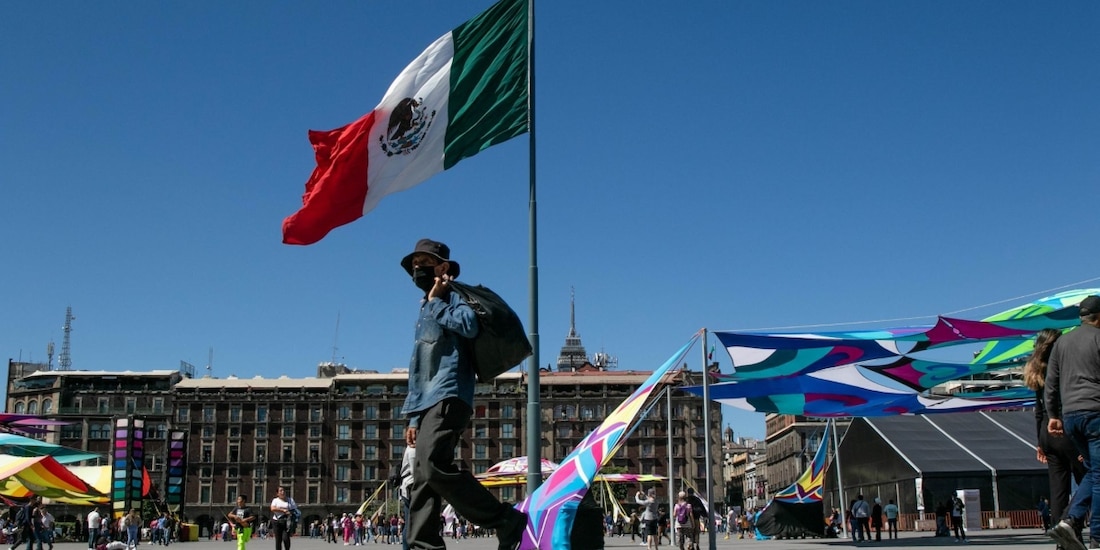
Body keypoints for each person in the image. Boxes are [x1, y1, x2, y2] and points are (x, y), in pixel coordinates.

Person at [398, 239, 527, 550]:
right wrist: (414, 417)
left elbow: (469, 326)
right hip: (426, 401)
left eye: (425, 262)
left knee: (432, 465)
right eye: (414, 263)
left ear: (443, 267)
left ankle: (503, 518)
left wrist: (438, 301)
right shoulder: (426, 306)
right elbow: (420, 367)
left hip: (449, 395)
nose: (418, 268)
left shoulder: (453, 297)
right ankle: (422, 546)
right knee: (421, 480)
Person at [1046, 295, 1100, 550]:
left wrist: (1053, 414)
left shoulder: (1062, 342)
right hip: (1095, 413)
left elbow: (1051, 382)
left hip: (1070, 417)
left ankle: (1070, 521)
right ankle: (1096, 534)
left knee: (1094, 471)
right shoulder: (1098, 337)